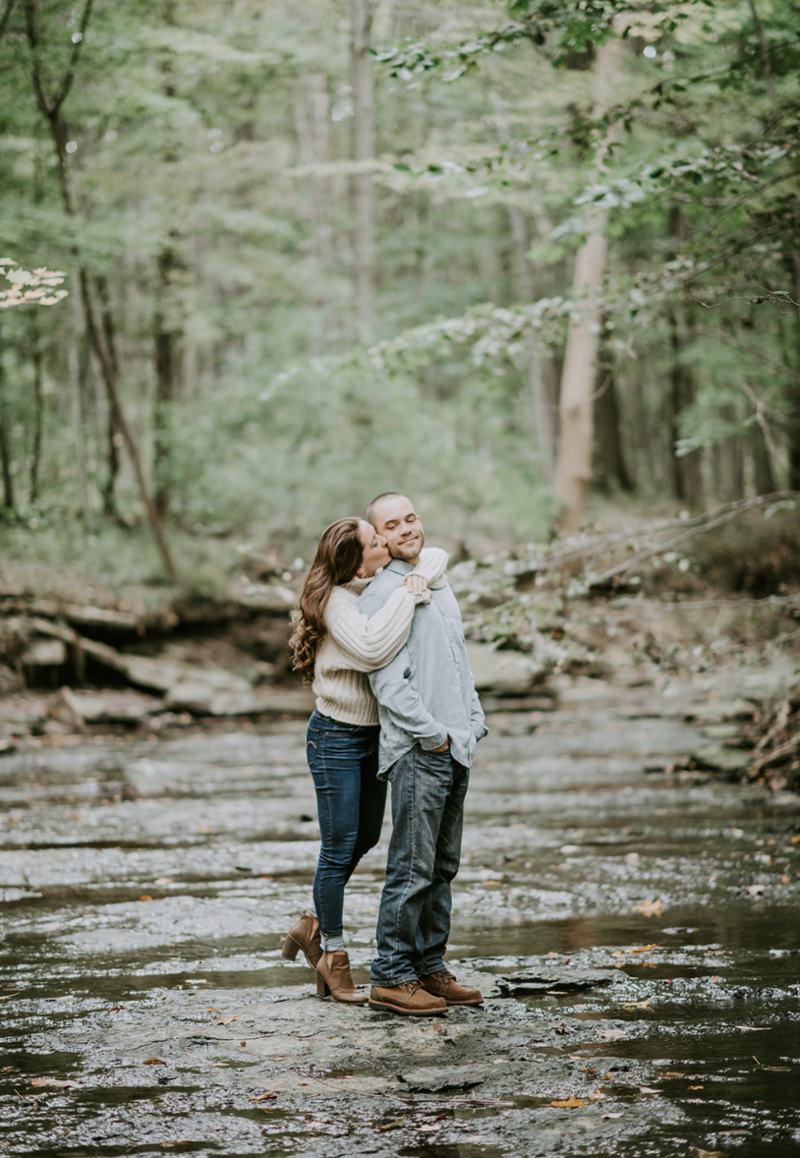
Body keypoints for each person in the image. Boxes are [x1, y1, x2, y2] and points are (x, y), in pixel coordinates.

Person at [283, 516, 447, 1004]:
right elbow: (374, 651)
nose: (387, 543)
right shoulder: (337, 602)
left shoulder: (374, 587)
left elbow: (434, 557)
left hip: (374, 736)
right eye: (377, 541)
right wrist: (411, 593)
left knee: (368, 836)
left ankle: (311, 924)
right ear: (356, 559)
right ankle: (332, 953)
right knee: (338, 848)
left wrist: (421, 572)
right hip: (334, 736)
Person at [358, 493, 487, 1016]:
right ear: (379, 539)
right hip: (419, 749)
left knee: (442, 867)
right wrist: (432, 734)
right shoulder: (381, 597)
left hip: (457, 745)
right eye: (392, 524)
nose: (407, 528)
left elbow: (458, 661)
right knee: (412, 868)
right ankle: (390, 975)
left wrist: (473, 725)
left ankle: (429, 967)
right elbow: (388, 685)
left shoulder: (437, 583)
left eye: (411, 517)